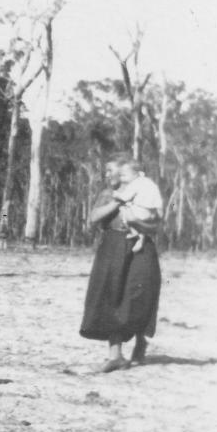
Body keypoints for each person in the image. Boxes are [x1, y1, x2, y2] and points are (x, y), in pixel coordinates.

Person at [80, 153, 164, 372]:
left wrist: (137, 222)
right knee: (112, 295)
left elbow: (156, 224)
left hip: (141, 247)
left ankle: (140, 344)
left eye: (111, 171)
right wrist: (117, 202)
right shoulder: (109, 194)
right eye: (106, 171)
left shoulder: (143, 190)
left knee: (139, 295)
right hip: (112, 245)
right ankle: (115, 355)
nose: (108, 175)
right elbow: (93, 217)